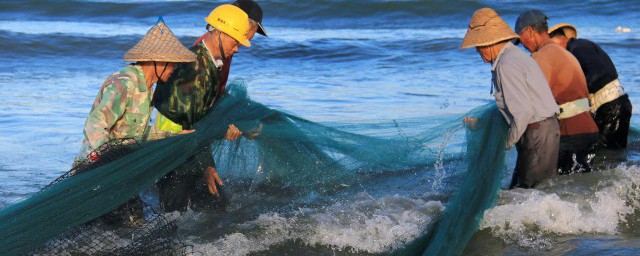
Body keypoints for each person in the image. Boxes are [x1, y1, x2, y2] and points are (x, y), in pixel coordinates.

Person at [151, 4, 256, 212]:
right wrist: (207, 166)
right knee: (174, 214)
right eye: (235, 43)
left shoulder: (210, 62)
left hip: (189, 146)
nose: (236, 49)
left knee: (212, 207)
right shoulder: (195, 68)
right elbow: (192, 122)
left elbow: (202, 113)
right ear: (219, 33)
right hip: (173, 148)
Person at [461, 8, 560, 188]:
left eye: (478, 46)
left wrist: (504, 144)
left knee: (531, 194)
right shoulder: (513, 56)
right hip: (542, 130)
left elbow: (523, 112)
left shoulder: (506, 64)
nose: (477, 52)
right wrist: (482, 124)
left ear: (488, 43)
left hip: (536, 133)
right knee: (530, 191)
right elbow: (514, 107)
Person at [78, 19, 195, 163]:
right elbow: (95, 124)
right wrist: (107, 161)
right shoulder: (123, 84)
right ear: (158, 61)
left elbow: (138, 133)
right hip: (95, 166)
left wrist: (172, 136)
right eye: (173, 63)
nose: (175, 68)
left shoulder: (147, 88)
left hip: (122, 162)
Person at [515, 10, 600, 174]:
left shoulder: (541, 57)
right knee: (580, 190)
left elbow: (532, 99)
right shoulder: (564, 52)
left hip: (571, 133)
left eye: (521, 39)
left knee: (555, 189)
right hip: (589, 130)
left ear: (530, 32)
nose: (523, 46)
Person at [548, 23, 632, 150]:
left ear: (556, 41)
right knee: (615, 153)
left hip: (610, 107)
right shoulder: (583, 45)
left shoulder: (577, 50)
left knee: (604, 154)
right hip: (619, 102)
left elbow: (597, 75)